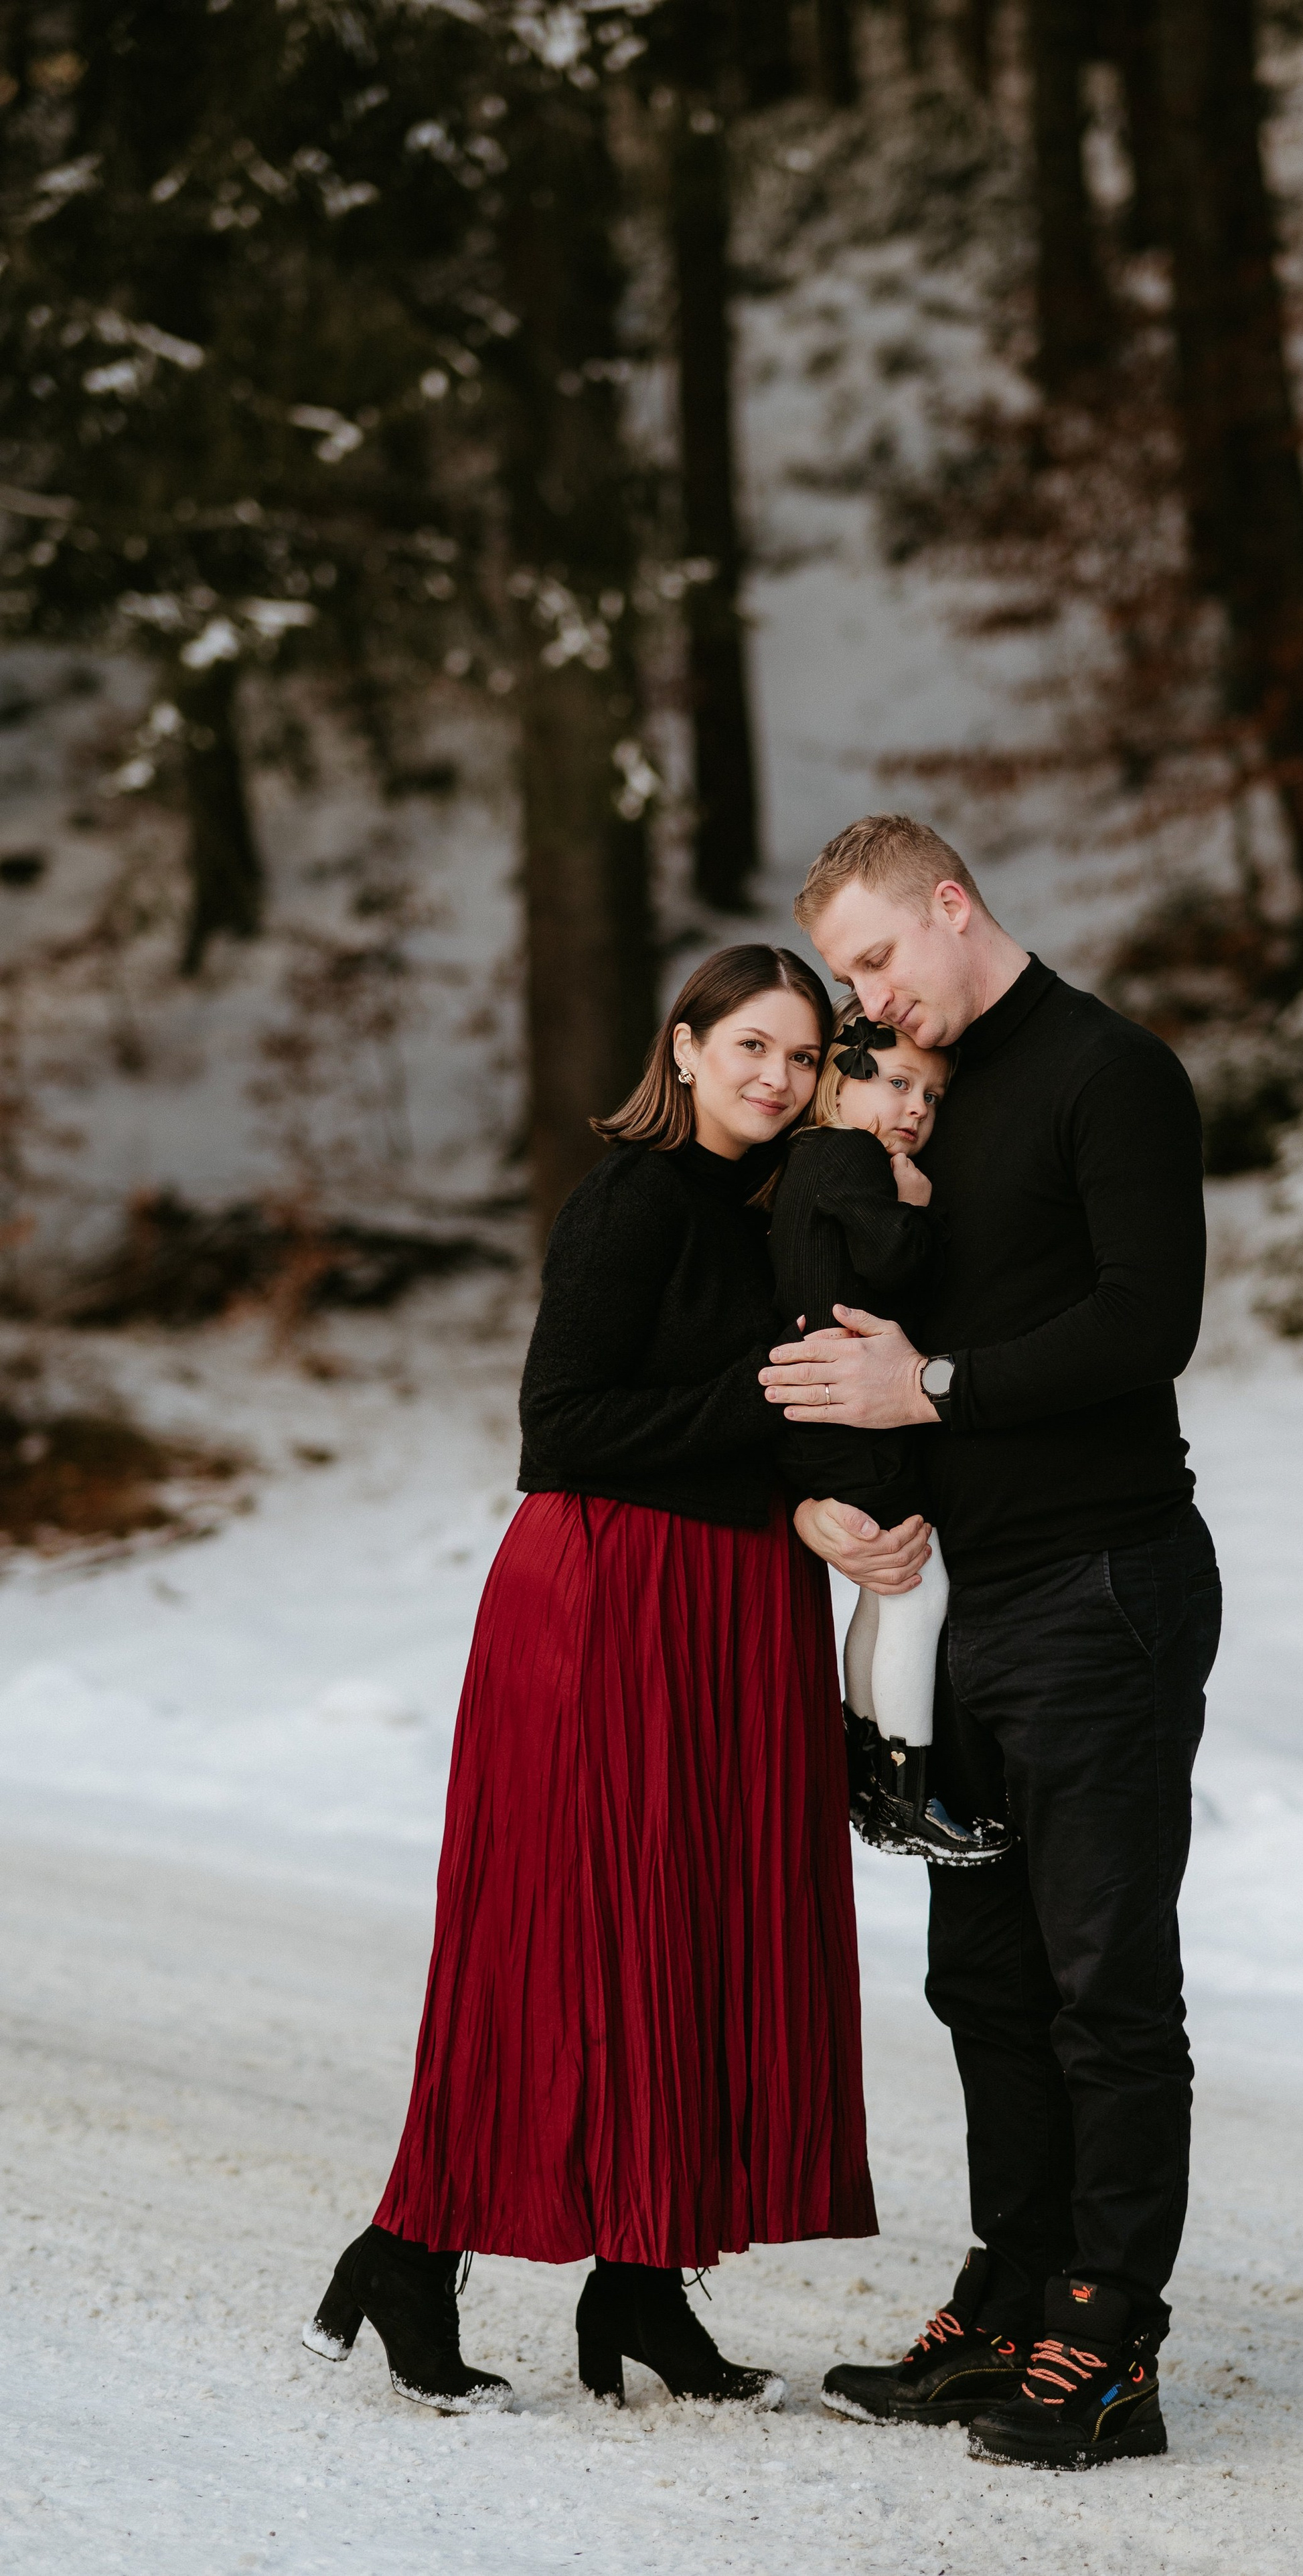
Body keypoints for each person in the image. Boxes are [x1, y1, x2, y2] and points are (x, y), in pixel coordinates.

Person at [303, 944, 879, 2416]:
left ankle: (640, 2287)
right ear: (680, 1048)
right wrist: (758, 1398)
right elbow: (560, 1419)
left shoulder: (773, 1209)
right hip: (611, 1589)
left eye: (800, 1056)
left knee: (697, 1935)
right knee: (553, 1941)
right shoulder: (628, 1199)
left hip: (736, 1596)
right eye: (748, 1043)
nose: (773, 1076)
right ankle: (408, 2253)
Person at [765, 815, 1220, 2474]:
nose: (865, 1001)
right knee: (985, 1978)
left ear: (952, 907)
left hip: (1100, 1584)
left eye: (877, 958)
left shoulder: (1111, 1072)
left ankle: (1107, 2338)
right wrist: (833, 1496)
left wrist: (931, 1388)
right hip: (955, 1596)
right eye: (843, 977)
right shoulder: (907, 1097)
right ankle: (1013, 2290)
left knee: (1104, 1979)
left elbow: (1142, 1315)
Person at [767, 997, 1008, 1865]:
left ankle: (871, 1775)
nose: (916, 1109)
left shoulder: (810, 1159)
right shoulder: (851, 1159)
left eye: (933, 1097)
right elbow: (894, 1266)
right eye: (900, 1083)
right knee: (916, 1590)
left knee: (883, 1590)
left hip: (828, 1419)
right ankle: (907, 1794)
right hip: (854, 1422)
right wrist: (916, 1206)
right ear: (842, 1078)